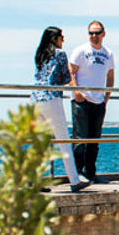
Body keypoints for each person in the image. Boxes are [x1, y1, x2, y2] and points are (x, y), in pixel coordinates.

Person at [30, 26, 89, 192]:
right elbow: (65, 77)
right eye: (61, 37)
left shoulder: (39, 55)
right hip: (51, 98)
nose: (63, 40)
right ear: (55, 38)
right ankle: (74, 180)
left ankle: (35, 180)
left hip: (35, 99)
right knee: (63, 140)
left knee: (40, 143)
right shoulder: (59, 54)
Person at [70, 20, 115, 184]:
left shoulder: (108, 53)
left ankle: (91, 172)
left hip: (99, 101)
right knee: (80, 138)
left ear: (103, 34)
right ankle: (77, 173)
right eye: (91, 33)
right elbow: (71, 72)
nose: (94, 36)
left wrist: (106, 98)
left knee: (94, 139)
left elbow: (110, 77)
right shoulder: (80, 50)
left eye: (97, 32)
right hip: (82, 101)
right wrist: (77, 93)